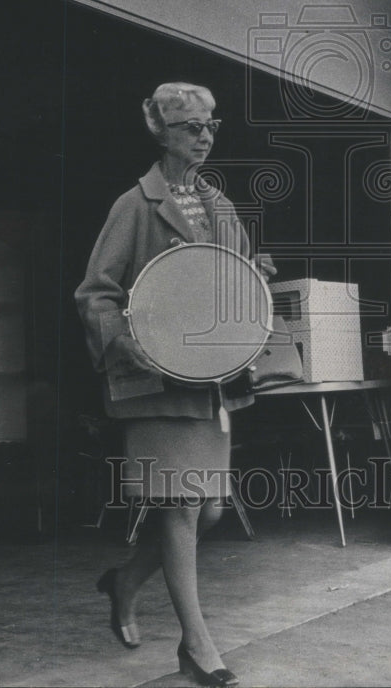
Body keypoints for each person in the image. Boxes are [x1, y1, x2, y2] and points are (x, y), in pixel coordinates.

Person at [75, 82, 275, 688]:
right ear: (161, 132)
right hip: (156, 381)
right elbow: (96, 293)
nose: (206, 135)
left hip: (208, 382)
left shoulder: (222, 207)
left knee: (208, 510)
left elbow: (232, 281)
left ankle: (128, 580)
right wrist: (126, 342)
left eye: (212, 124)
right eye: (191, 126)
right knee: (182, 508)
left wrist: (255, 280)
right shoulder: (133, 207)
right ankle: (196, 645)